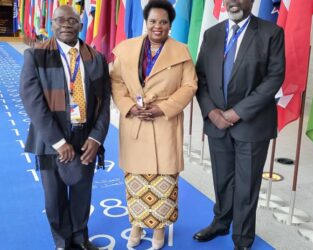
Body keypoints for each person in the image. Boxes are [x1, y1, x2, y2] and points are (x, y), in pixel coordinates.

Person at [193, 0, 285, 249]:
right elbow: (199, 76)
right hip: (216, 123)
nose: (233, 2)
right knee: (222, 179)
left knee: (246, 185)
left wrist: (236, 113)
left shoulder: (271, 32)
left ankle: (242, 237)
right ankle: (221, 222)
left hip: (251, 124)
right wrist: (211, 111)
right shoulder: (211, 34)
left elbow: (274, 77)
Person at [20, 5, 110, 250]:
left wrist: (96, 138)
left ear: (81, 25)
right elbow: (32, 100)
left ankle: (80, 238)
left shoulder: (96, 58)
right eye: (61, 20)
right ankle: (62, 241)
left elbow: (104, 103)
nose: (67, 24)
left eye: (73, 20)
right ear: (52, 23)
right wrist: (58, 141)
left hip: (85, 136)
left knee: (82, 192)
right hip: (50, 138)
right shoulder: (36, 55)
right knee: (54, 196)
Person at [110, 1, 197, 249]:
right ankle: (136, 226)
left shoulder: (182, 52)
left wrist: (164, 108)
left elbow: (190, 85)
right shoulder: (126, 50)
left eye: (163, 21)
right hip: (135, 123)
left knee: (164, 182)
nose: (157, 26)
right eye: (153, 21)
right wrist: (128, 106)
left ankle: (159, 230)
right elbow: (116, 82)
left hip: (164, 124)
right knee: (135, 181)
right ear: (145, 22)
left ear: (170, 24)